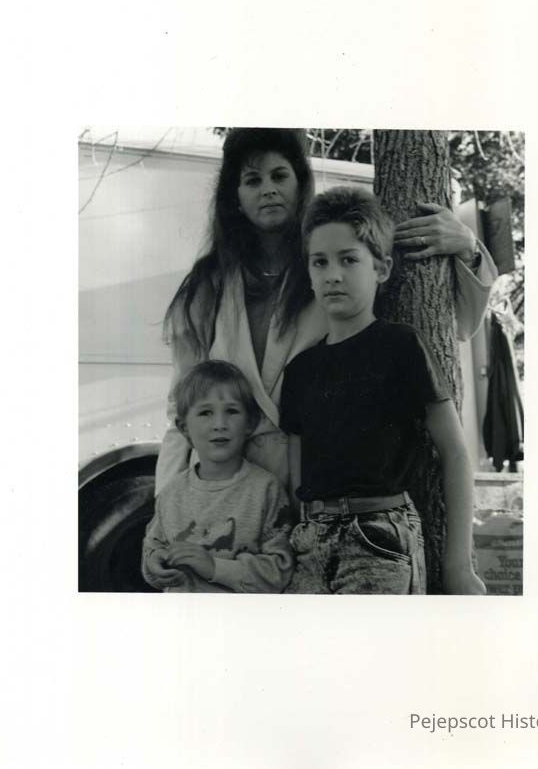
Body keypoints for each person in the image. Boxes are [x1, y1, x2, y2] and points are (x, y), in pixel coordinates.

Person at [156, 128, 498, 500]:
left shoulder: (329, 269)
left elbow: (458, 326)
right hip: (220, 493)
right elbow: (181, 406)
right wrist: (167, 508)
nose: (268, 189)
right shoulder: (208, 284)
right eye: (252, 180)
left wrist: (469, 249)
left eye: (279, 176)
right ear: (235, 198)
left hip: (312, 487)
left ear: (301, 184)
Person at [280, 186, 486, 595]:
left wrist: (458, 564)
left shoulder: (401, 346)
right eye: (320, 262)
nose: (332, 274)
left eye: (349, 259)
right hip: (310, 542)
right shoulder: (300, 369)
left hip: (378, 537)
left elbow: (455, 453)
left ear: (382, 269)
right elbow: (295, 474)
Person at [142, 360, 293, 593]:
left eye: (231, 411)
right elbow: (152, 550)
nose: (219, 424)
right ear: (184, 427)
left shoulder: (266, 490)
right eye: (205, 413)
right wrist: (155, 564)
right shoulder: (171, 493)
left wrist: (214, 568)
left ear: (250, 423)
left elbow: (279, 572)